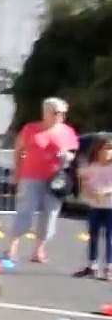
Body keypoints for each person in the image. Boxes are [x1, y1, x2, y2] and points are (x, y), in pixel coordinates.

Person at [7, 97, 80, 264]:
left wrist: (67, 155)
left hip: (56, 180)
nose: (60, 116)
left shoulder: (67, 131)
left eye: (63, 113)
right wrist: (17, 173)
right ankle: (12, 246)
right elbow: (18, 150)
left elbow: (74, 154)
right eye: (56, 113)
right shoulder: (30, 129)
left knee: (51, 213)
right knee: (26, 210)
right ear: (46, 112)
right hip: (31, 176)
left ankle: (39, 249)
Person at [75, 134, 112, 280]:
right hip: (95, 206)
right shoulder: (92, 167)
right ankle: (92, 265)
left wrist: (105, 191)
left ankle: (109, 267)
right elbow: (84, 184)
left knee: (109, 236)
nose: (107, 153)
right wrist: (88, 191)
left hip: (110, 207)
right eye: (105, 149)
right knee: (94, 235)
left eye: (110, 149)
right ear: (98, 151)